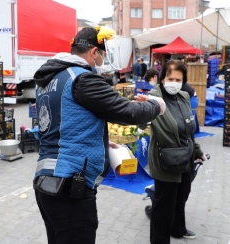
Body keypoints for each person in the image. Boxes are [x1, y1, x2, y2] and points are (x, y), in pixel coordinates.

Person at [32, 26, 166, 244]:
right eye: (103, 53)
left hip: (47, 184)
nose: (103, 58)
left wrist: (99, 139)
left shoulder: (50, 80)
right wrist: (156, 105)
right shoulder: (82, 79)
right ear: (94, 52)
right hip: (70, 188)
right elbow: (128, 113)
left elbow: (60, 126)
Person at [136, 60, 207, 243]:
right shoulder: (154, 97)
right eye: (170, 78)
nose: (174, 82)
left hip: (186, 157)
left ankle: (178, 228)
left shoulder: (183, 96)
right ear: (162, 78)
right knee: (163, 204)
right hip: (165, 160)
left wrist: (197, 151)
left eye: (178, 79)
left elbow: (188, 129)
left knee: (181, 196)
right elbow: (142, 124)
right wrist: (143, 109)